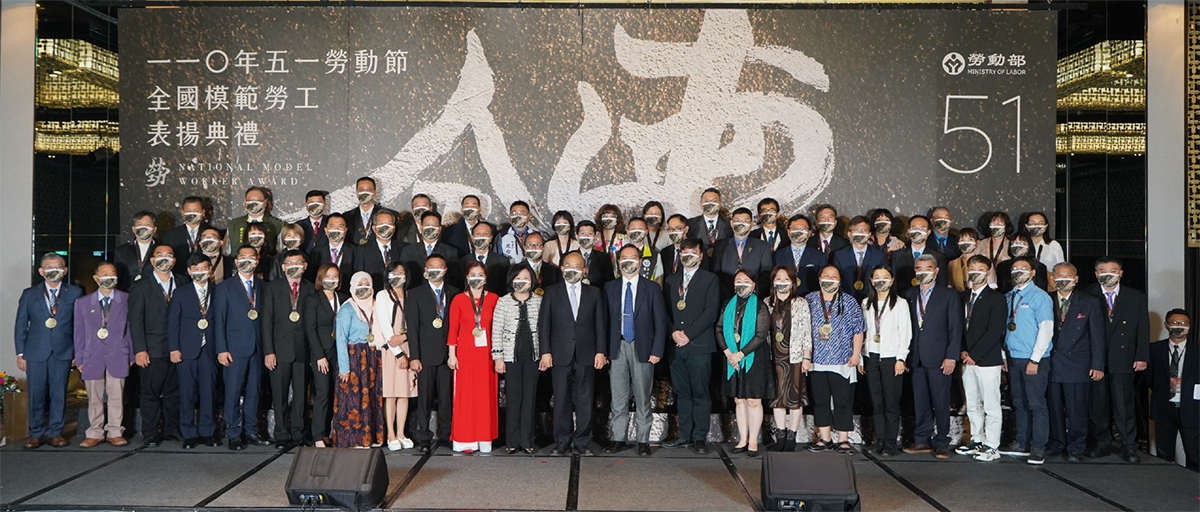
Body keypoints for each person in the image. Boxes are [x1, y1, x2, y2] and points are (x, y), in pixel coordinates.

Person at [539, 251, 608, 456]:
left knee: (585, 400)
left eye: (578, 266)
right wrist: (545, 352)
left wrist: (601, 351)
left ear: (584, 270)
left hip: (587, 355)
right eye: (568, 265)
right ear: (562, 269)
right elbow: (544, 325)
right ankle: (562, 441)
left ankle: (582, 442)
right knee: (561, 400)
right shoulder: (551, 292)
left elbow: (601, 326)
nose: (573, 269)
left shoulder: (594, 293)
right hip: (559, 355)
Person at [1084, 255, 1150, 463]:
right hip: (1096, 360)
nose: (1107, 274)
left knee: (1124, 406)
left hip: (1124, 358)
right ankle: (1102, 444)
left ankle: (1129, 447)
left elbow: (1143, 328)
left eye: (1112, 270)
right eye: (1102, 271)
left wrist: (1141, 356)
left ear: (1121, 273)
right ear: (1096, 274)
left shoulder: (1135, 296)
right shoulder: (1087, 294)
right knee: (1098, 406)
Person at [604, 245, 668, 457]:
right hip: (617, 347)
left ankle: (643, 440)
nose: (628, 261)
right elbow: (604, 322)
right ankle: (618, 438)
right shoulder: (610, 288)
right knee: (618, 397)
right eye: (624, 258)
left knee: (642, 396)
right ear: (618, 262)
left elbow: (660, 322)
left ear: (641, 262)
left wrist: (657, 349)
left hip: (643, 348)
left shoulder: (651, 288)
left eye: (632, 258)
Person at [16, 253, 81, 449]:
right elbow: (20, 325)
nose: (54, 270)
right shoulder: (29, 294)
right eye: (49, 267)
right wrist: (20, 353)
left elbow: (79, 326)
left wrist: (77, 352)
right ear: (41, 271)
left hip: (63, 351)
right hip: (35, 352)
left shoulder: (75, 292)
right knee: (36, 394)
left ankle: (55, 432)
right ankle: (35, 433)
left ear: (65, 270)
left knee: (59, 394)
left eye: (58, 266)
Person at [662, 238, 721, 454]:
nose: (688, 256)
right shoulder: (670, 280)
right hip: (676, 346)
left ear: (701, 255)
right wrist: (673, 332)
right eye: (684, 252)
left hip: (700, 345)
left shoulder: (710, 279)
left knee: (700, 393)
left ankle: (699, 437)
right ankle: (683, 435)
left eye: (693, 252)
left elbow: (711, 312)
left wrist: (688, 334)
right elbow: (664, 312)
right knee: (682, 392)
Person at [901, 254, 962, 459]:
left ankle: (942, 441)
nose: (923, 272)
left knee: (941, 401)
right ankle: (922, 440)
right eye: (919, 269)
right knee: (920, 401)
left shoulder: (949, 295)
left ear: (936, 271)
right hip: (916, 358)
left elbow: (955, 328)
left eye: (927, 268)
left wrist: (951, 356)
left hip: (940, 358)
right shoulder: (908, 294)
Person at [1045, 262, 1106, 463]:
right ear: (1052, 279)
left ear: (1076, 278)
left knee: (1077, 409)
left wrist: (1097, 364)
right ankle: (1057, 444)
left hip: (1078, 364)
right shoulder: (1046, 300)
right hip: (1051, 363)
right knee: (1053, 407)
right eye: (1059, 276)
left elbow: (1097, 337)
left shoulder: (1090, 302)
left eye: (1068, 276)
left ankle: (1075, 447)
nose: (1063, 280)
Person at [214, 245, 271, 450]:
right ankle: (233, 432)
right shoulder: (224, 287)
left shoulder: (264, 286)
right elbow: (219, 321)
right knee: (233, 391)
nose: (248, 261)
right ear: (236, 262)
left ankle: (251, 430)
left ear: (257, 261)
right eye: (243, 258)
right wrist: (221, 349)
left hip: (258, 347)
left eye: (252, 257)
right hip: (234, 348)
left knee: (254, 391)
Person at [999, 257, 1054, 465]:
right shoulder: (1008, 296)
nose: (1018, 271)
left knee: (1036, 404)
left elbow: (1046, 330)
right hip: (1013, 358)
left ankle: (1038, 446)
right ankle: (1021, 442)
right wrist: (1004, 356)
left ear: (1032, 273)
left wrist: (1035, 359)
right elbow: (1005, 329)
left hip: (1034, 360)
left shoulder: (1040, 297)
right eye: (1015, 268)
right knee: (1018, 402)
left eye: (1023, 268)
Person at [805, 265, 865, 455]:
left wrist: (856, 354)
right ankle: (825, 438)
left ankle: (844, 439)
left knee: (842, 401)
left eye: (834, 276)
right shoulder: (809, 300)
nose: (830, 279)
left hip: (843, 361)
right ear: (819, 278)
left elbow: (859, 330)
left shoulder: (849, 302)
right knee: (821, 400)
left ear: (840, 280)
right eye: (826, 275)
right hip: (816, 361)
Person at [130, 244, 185, 446]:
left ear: (174, 260)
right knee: (150, 393)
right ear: (152, 261)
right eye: (159, 255)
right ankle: (151, 432)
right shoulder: (141, 286)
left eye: (169, 255)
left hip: (179, 349)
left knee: (174, 393)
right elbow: (135, 321)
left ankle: (172, 430)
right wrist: (140, 349)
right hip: (152, 350)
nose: (164, 258)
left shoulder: (183, 282)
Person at [73, 262, 133, 447]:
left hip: (118, 354)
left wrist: (131, 355)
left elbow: (131, 329)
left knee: (116, 395)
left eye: (112, 273)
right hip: (92, 355)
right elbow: (78, 332)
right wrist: (79, 357)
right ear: (96, 278)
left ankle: (115, 431)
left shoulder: (126, 299)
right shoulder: (82, 302)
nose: (109, 277)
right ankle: (95, 432)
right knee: (94, 396)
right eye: (104, 274)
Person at [262, 250, 316, 448]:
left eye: (299, 262)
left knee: (301, 395)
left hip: (302, 351)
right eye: (290, 263)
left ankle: (299, 433)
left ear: (305, 266)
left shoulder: (311, 288)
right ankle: (282, 434)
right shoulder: (272, 288)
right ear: (283, 266)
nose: (295, 266)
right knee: (280, 395)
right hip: (279, 350)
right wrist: (269, 351)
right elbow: (266, 322)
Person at [406, 255, 460, 452]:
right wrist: (414, 357)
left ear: (445, 270)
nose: (436, 270)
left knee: (447, 398)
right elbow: (412, 328)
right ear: (425, 270)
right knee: (424, 399)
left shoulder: (454, 292)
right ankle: (424, 437)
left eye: (440, 267)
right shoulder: (415, 293)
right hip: (425, 355)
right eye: (432, 267)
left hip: (448, 355)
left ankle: (447, 435)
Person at [956, 255, 1007, 462]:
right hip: (966, 359)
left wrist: (974, 355)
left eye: (980, 268)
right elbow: (957, 327)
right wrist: (962, 351)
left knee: (991, 405)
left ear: (988, 272)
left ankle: (992, 445)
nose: (975, 272)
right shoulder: (962, 297)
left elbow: (995, 331)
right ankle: (976, 439)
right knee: (972, 403)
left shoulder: (997, 298)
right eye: (972, 268)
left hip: (987, 360)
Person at [446, 261, 500, 453]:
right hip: (465, 353)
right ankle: (465, 439)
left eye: (480, 274)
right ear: (467, 277)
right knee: (466, 395)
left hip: (487, 353)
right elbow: (453, 329)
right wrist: (452, 355)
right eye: (473, 274)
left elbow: (499, 327)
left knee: (485, 395)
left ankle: (484, 438)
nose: (476, 278)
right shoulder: (459, 299)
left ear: (486, 277)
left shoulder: (494, 299)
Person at [168, 254, 220, 449]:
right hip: (186, 351)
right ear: (189, 271)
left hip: (210, 350)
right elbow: (173, 323)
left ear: (210, 270)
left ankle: (207, 432)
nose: (200, 272)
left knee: (209, 393)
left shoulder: (217, 291)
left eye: (204, 268)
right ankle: (188, 433)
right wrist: (174, 348)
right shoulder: (180, 293)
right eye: (196, 269)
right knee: (187, 394)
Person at [717, 269, 771, 457]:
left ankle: (754, 441)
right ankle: (742, 439)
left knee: (753, 400)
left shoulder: (760, 306)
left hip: (753, 358)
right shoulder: (728, 304)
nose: (741, 283)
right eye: (738, 280)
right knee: (739, 400)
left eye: (745, 280)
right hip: (731, 358)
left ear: (754, 284)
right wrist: (728, 353)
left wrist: (740, 354)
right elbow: (719, 329)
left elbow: (761, 335)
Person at [492, 263, 543, 454]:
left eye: (526, 277)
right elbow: (496, 330)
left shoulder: (539, 301)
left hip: (532, 356)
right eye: (518, 278)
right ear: (511, 280)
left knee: (529, 398)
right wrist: (498, 357)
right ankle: (512, 441)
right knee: (513, 398)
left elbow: (544, 330)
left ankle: (527, 440)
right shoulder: (503, 302)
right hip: (510, 357)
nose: (522, 281)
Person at [860, 265, 911, 457]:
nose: (881, 280)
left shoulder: (900, 303)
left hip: (891, 358)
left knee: (891, 402)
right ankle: (879, 440)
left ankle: (891, 442)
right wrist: (861, 357)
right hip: (871, 356)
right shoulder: (866, 303)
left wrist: (901, 358)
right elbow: (863, 332)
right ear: (871, 281)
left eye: (885, 277)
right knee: (877, 401)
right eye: (877, 277)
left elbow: (905, 333)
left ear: (892, 280)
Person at [333, 272, 386, 448]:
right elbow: (340, 339)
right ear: (353, 286)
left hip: (373, 356)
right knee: (353, 398)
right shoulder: (347, 309)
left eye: (366, 283)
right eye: (359, 284)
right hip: (354, 357)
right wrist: (344, 368)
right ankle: (354, 439)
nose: (363, 287)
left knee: (372, 397)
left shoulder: (377, 306)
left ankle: (370, 437)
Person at [764, 266, 811, 453]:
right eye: (778, 278)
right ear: (773, 281)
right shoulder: (767, 302)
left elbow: (807, 331)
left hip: (795, 356)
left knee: (794, 398)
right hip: (773, 356)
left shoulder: (801, 303)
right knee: (777, 398)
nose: (782, 282)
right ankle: (780, 435)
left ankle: (792, 435)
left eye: (786, 279)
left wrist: (807, 357)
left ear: (792, 282)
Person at [374, 262, 418, 451]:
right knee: (391, 394)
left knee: (405, 393)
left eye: (401, 272)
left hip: (408, 345)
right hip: (391, 348)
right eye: (394, 273)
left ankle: (401, 432)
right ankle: (390, 434)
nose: (398, 276)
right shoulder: (383, 295)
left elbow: (415, 323)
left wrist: (405, 337)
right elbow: (385, 326)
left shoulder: (411, 295)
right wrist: (399, 353)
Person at [1147, 309, 1198, 469]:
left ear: (1189, 327)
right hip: (1163, 408)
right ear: (1166, 325)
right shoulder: (1153, 350)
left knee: (1195, 455)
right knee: (1164, 456)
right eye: (1175, 322)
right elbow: (1149, 379)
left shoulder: (1198, 352)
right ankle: (1166, 491)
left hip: (1192, 409)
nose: (1179, 326)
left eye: (1184, 323)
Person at [306, 264, 346, 447]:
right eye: (328, 276)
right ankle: (318, 436)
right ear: (321, 278)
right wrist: (319, 355)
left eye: (335, 276)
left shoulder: (343, 299)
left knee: (334, 393)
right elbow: (310, 329)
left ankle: (329, 432)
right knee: (322, 393)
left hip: (339, 351)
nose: (332, 279)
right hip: (321, 353)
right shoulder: (313, 299)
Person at [712, 208, 774, 300]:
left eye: (745, 221)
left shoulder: (762, 246)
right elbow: (716, 275)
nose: (741, 224)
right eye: (737, 220)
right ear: (731, 223)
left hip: (754, 298)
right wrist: (727, 296)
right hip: (725, 299)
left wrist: (752, 293)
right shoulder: (720, 246)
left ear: (751, 224)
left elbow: (766, 275)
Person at [831, 216, 887, 302]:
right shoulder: (839, 255)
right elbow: (837, 281)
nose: (860, 233)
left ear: (869, 234)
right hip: (845, 302)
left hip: (872, 302)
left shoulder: (879, 256)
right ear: (849, 234)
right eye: (857, 229)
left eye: (864, 230)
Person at [399, 211, 461, 289]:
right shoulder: (408, 251)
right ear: (421, 228)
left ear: (440, 229)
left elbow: (453, 279)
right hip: (414, 294)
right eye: (427, 225)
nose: (430, 228)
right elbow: (403, 275)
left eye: (434, 225)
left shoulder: (450, 251)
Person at [890, 215, 949, 295]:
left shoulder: (938, 257)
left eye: (922, 228)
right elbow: (894, 285)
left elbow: (942, 285)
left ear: (928, 232)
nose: (918, 231)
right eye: (914, 228)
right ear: (908, 231)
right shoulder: (897, 256)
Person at [773, 215, 825, 298]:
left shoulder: (819, 256)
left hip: (810, 301)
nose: (799, 232)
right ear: (788, 232)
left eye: (803, 229)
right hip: (784, 300)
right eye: (795, 229)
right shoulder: (777, 255)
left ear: (809, 233)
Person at [355, 209, 407, 291]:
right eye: (381, 223)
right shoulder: (362, 251)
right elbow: (359, 277)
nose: (385, 227)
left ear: (393, 228)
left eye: (389, 224)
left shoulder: (404, 249)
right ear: (374, 228)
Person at [224, 186, 283, 255]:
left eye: (258, 200)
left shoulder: (277, 225)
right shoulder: (233, 225)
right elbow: (225, 252)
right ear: (245, 202)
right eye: (250, 200)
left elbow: (282, 252)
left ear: (265, 202)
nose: (254, 202)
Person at [160, 197, 211, 274]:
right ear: (183, 213)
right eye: (189, 211)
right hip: (179, 278)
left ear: (203, 213)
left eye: (196, 210)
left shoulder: (210, 233)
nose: (192, 213)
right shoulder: (170, 235)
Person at [459, 221, 510, 295]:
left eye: (485, 234)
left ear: (490, 238)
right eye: (478, 233)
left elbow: (505, 287)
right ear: (473, 238)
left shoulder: (502, 261)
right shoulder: (463, 261)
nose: (481, 236)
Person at [309, 213, 356, 291]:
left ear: (345, 230)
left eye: (340, 226)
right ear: (326, 230)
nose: (336, 229)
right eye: (332, 226)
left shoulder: (355, 251)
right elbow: (312, 277)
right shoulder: (316, 252)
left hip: (347, 296)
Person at [113, 210, 158, 290]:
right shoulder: (121, 251)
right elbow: (118, 277)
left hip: (154, 295)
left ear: (154, 229)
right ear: (133, 229)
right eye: (140, 224)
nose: (143, 227)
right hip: (128, 294)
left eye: (147, 224)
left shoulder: (162, 250)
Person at [687, 188, 732, 253]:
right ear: (701, 205)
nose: (710, 203)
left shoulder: (729, 224)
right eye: (706, 201)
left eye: (714, 201)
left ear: (720, 204)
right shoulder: (690, 224)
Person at [342, 177, 383, 246]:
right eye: (361, 190)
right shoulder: (346, 217)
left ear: (375, 192)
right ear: (356, 192)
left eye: (369, 190)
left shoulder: (387, 215)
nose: (365, 193)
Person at [624, 217, 664, 285]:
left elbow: (659, 281)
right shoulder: (619, 255)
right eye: (633, 228)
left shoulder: (655, 256)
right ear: (628, 232)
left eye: (640, 228)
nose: (636, 231)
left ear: (646, 232)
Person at [575, 221, 614, 288]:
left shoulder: (604, 258)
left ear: (595, 237)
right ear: (577, 236)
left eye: (590, 233)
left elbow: (609, 283)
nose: (586, 236)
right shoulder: (568, 257)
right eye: (583, 233)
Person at [948, 228, 984, 292]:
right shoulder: (952, 263)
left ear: (977, 242)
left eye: (970, 239)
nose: (966, 243)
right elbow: (950, 286)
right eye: (962, 240)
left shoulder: (984, 262)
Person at [659, 214, 691, 284]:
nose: (674, 232)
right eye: (671, 229)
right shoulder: (664, 252)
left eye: (678, 228)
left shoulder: (695, 251)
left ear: (686, 229)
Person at [299, 190, 329, 254]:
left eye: (319, 203)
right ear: (306, 206)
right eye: (312, 203)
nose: (315, 206)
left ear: (324, 205)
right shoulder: (299, 226)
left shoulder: (331, 223)